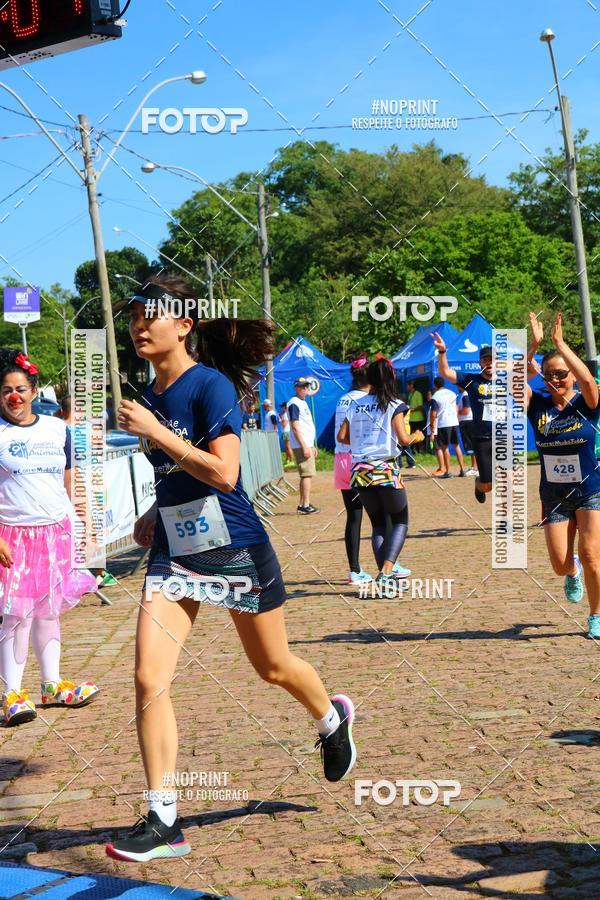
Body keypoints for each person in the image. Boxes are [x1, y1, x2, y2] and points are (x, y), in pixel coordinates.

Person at [106, 276, 356, 862]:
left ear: (183, 325)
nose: (139, 326)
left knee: (272, 666)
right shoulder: (151, 394)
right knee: (148, 677)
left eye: (149, 315)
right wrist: (153, 511)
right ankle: (164, 819)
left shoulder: (209, 385)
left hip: (234, 545)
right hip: (176, 550)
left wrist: (155, 433)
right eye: (133, 317)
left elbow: (224, 473)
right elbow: (178, 472)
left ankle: (330, 718)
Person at [0, 351, 99, 726]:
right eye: (6, 390)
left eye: (20, 389)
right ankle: (11, 694)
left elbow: (69, 480)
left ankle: (52, 685)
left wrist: (81, 522)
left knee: (48, 610)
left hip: (56, 533)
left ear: (33, 390)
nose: (14, 396)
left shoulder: (57, 429)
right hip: (13, 537)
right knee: (17, 615)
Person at [527, 312, 600, 639]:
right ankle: (572, 571)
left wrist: (560, 344)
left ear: (571, 373)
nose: (555, 379)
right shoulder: (537, 404)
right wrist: (533, 347)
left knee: (592, 554)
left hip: (591, 489)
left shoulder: (588, 402)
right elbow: (515, 382)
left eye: (561, 374)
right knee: (560, 564)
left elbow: (589, 382)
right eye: (549, 375)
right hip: (554, 495)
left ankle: (596, 615)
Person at [337, 357, 424, 588]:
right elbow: (404, 439)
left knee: (377, 525)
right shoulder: (394, 404)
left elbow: (342, 437)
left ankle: (386, 576)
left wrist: (363, 442)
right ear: (391, 377)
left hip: (360, 471)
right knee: (400, 521)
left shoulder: (355, 404)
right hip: (385, 469)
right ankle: (386, 573)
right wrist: (417, 436)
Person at [58, 395, 118, 588]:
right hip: (91, 485)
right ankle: (99, 572)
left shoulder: (58, 430)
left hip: (67, 486)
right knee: (92, 529)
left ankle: (78, 573)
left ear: (62, 410)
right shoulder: (91, 429)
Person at [432, 334, 494, 503]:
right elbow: (445, 372)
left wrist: (533, 345)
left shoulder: (507, 380)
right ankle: (479, 483)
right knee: (487, 485)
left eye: (492, 359)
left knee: (510, 478)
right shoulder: (472, 380)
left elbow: (531, 373)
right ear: (480, 363)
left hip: (503, 437)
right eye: (485, 360)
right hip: (482, 438)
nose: (489, 363)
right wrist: (442, 351)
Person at [334, 354, 371, 584]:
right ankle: (388, 564)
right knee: (382, 514)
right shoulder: (367, 400)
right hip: (361, 460)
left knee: (354, 516)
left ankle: (355, 570)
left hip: (341, 460)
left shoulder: (342, 399)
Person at [287, 377, 319, 514]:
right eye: (302, 386)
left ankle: (303, 504)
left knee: (306, 475)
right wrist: (305, 446)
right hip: (301, 444)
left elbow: (306, 425)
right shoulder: (294, 403)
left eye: (306, 386)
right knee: (307, 475)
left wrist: (311, 445)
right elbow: (295, 427)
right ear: (296, 388)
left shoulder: (302, 402)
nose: (305, 388)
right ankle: (305, 505)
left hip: (306, 444)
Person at [429, 376, 466, 479]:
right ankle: (462, 469)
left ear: (435, 385)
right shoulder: (452, 393)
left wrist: (432, 426)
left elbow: (433, 413)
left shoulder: (435, 396)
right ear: (443, 383)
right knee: (456, 446)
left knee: (444, 447)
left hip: (443, 423)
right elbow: (456, 407)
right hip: (454, 422)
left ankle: (448, 471)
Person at [457, 387, 477, 476]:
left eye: (459, 385)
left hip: (467, 422)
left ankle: (475, 468)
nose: (457, 387)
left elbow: (466, 411)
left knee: (472, 445)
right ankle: (474, 467)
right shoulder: (464, 395)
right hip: (467, 422)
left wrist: (455, 411)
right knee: (471, 445)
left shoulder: (465, 395)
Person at [407, 380, 426, 453]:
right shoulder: (410, 394)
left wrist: (412, 410)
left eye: (408, 386)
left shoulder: (418, 394)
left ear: (411, 386)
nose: (407, 387)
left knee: (418, 434)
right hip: (411, 419)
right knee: (412, 434)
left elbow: (420, 406)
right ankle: (413, 450)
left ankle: (420, 450)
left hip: (418, 419)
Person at [279, 402, 294, 467]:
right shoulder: (285, 414)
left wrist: (280, 420)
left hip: (286, 432)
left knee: (288, 447)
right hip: (286, 432)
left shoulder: (285, 414)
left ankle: (291, 461)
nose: (281, 408)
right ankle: (288, 460)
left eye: (282, 407)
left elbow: (284, 424)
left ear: (285, 407)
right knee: (286, 447)